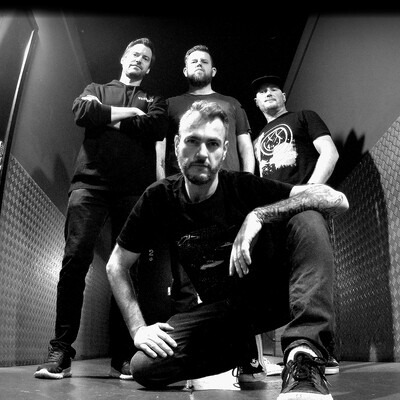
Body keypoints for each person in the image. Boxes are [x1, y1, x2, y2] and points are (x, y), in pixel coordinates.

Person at [106, 100, 349, 399]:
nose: (202, 153)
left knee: (306, 213)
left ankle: (304, 355)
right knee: (145, 366)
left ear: (223, 152)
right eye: (193, 141)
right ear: (177, 145)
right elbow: (116, 265)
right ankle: (242, 352)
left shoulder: (242, 187)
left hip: (278, 297)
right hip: (226, 312)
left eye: (212, 144)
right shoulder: (158, 198)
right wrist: (138, 329)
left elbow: (336, 200)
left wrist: (259, 215)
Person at [34, 38, 168, 380]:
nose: (139, 59)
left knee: (126, 271)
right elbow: (82, 113)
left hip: (133, 191)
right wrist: (130, 114)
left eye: (145, 58)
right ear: (124, 58)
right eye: (134, 54)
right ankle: (61, 351)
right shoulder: (95, 89)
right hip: (89, 186)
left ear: (149, 67)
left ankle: (123, 355)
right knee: (74, 260)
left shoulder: (154, 100)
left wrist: (104, 116)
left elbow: (156, 126)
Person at [251, 75, 340, 375]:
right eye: (262, 92)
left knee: (312, 271)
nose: (268, 93)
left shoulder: (304, 117)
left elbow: (330, 152)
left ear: (284, 95)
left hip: (303, 206)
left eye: (273, 89)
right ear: (256, 102)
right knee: (277, 281)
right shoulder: (256, 140)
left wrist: (309, 193)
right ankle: (268, 354)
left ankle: (314, 349)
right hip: (271, 214)